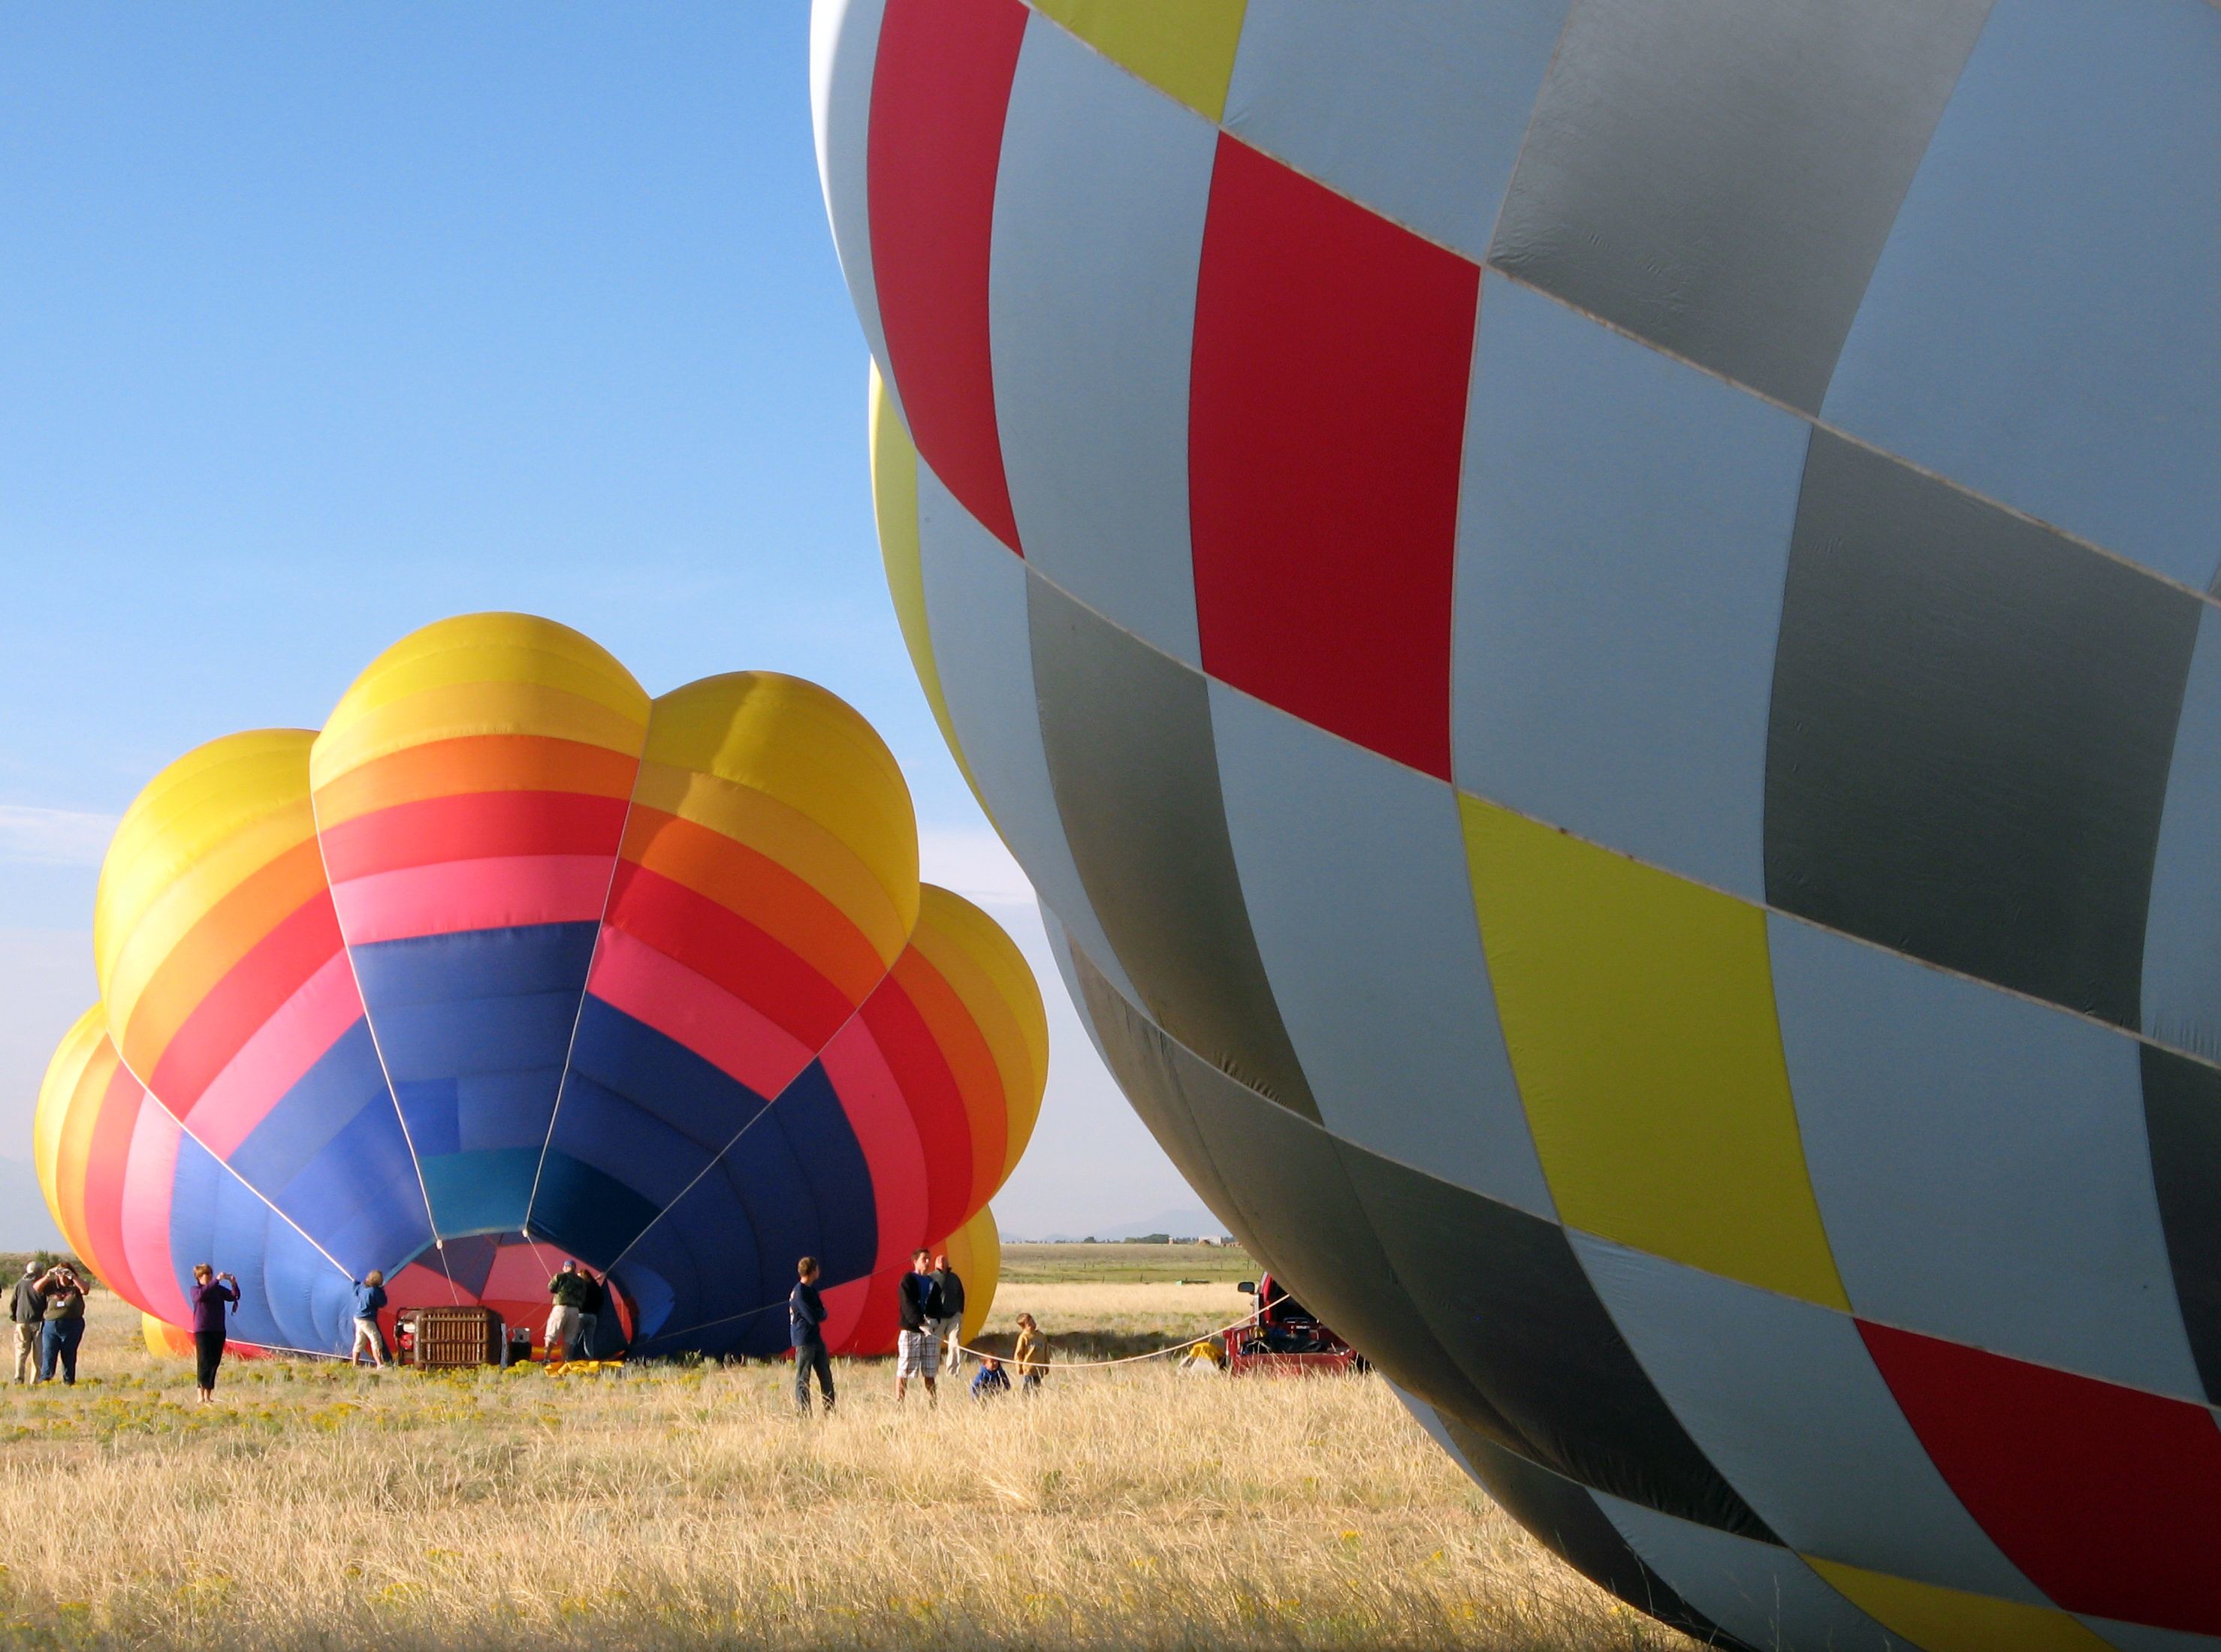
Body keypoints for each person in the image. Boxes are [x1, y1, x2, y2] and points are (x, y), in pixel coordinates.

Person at [789, 1256, 834, 1415]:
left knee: (826, 1375)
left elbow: (821, 1311)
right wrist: (821, 1313)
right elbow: (813, 1316)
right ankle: (805, 1413)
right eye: (817, 1268)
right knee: (803, 1377)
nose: (819, 1271)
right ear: (813, 1271)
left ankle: (830, 1410)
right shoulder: (800, 1292)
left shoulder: (812, 1290)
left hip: (816, 1338)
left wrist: (821, 1313)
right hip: (804, 1340)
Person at [894, 1248, 940, 1404]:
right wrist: (920, 1322)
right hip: (911, 1331)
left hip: (929, 1333)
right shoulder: (907, 1280)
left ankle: (933, 1402)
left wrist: (934, 1321)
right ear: (915, 1261)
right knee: (905, 1368)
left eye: (929, 1259)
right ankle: (900, 1402)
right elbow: (907, 1304)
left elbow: (937, 1305)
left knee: (930, 1369)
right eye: (924, 1259)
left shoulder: (933, 1283)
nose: (928, 1262)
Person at [189, 1265, 240, 1403]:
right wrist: (216, 1281)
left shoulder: (216, 1290)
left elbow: (233, 1296)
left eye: (211, 1275)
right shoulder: (196, 1290)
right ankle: (200, 1395)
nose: (210, 1278)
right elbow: (199, 1297)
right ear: (199, 1278)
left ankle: (208, 1395)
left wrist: (233, 1284)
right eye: (207, 1276)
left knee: (214, 1362)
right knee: (203, 1361)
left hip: (218, 1329)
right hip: (203, 1330)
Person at [36, 1266, 86, 1385]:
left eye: (65, 1274)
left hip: (72, 1325)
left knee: (69, 1354)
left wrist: (73, 1277)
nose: (62, 1277)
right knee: (49, 1353)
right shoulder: (52, 1286)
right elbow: (36, 1288)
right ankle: (46, 1380)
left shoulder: (75, 1287)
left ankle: (69, 1381)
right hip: (51, 1325)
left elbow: (85, 1290)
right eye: (60, 1274)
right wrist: (48, 1276)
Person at [930, 1252, 966, 1376]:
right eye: (939, 1259)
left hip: (953, 1316)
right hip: (938, 1317)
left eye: (944, 1259)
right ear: (935, 1264)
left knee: (955, 1343)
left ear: (948, 1263)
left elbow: (961, 1295)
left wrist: (959, 1311)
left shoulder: (954, 1278)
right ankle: (932, 1371)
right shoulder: (930, 1278)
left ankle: (953, 1373)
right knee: (935, 1345)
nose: (942, 1261)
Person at [545, 1260, 589, 1361]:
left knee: (552, 1334)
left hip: (561, 1308)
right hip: (575, 1310)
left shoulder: (560, 1276)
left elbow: (551, 1288)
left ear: (566, 1267)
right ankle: (564, 1360)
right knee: (568, 1339)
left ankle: (546, 1358)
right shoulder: (581, 1281)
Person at [10, 1262, 44, 1384]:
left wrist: (15, 1317)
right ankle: (35, 1381)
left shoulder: (20, 1284)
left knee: (21, 1351)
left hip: (21, 1321)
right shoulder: (42, 1284)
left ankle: (19, 1377)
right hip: (39, 1322)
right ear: (39, 1271)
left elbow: (13, 1302)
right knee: (39, 1353)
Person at [350, 1270, 388, 1369]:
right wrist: (382, 1291)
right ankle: (380, 1364)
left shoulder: (363, 1288)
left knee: (360, 1340)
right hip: (367, 1319)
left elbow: (356, 1290)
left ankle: (355, 1364)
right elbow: (382, 1303)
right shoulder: (374, 1291)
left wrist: (355, 1282)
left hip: (358, 1317)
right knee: (376, 1339)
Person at [575, 1265, 605, 1360]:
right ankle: (589, 1359)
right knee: (589, 1341)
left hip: (581, 1315)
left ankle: (569, 1358)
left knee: (572, 1339)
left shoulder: (581, 1287)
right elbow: (601, 1301)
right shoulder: (597, 1288)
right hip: (593, 1317)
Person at [1012, 1313, 1049, 1393]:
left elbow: (1046, 1352)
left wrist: (1047, 1365)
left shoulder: (1041, 1336)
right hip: (1028, 1370)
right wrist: (1019, 1367)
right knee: (1027, 1391)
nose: (1033, 1325)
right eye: (1029, 1324)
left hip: (1039, 1369)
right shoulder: (1024, 1337)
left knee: (1037, 1390)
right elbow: (1018, 1354)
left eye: (1033, 1322)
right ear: (1023, 1327)